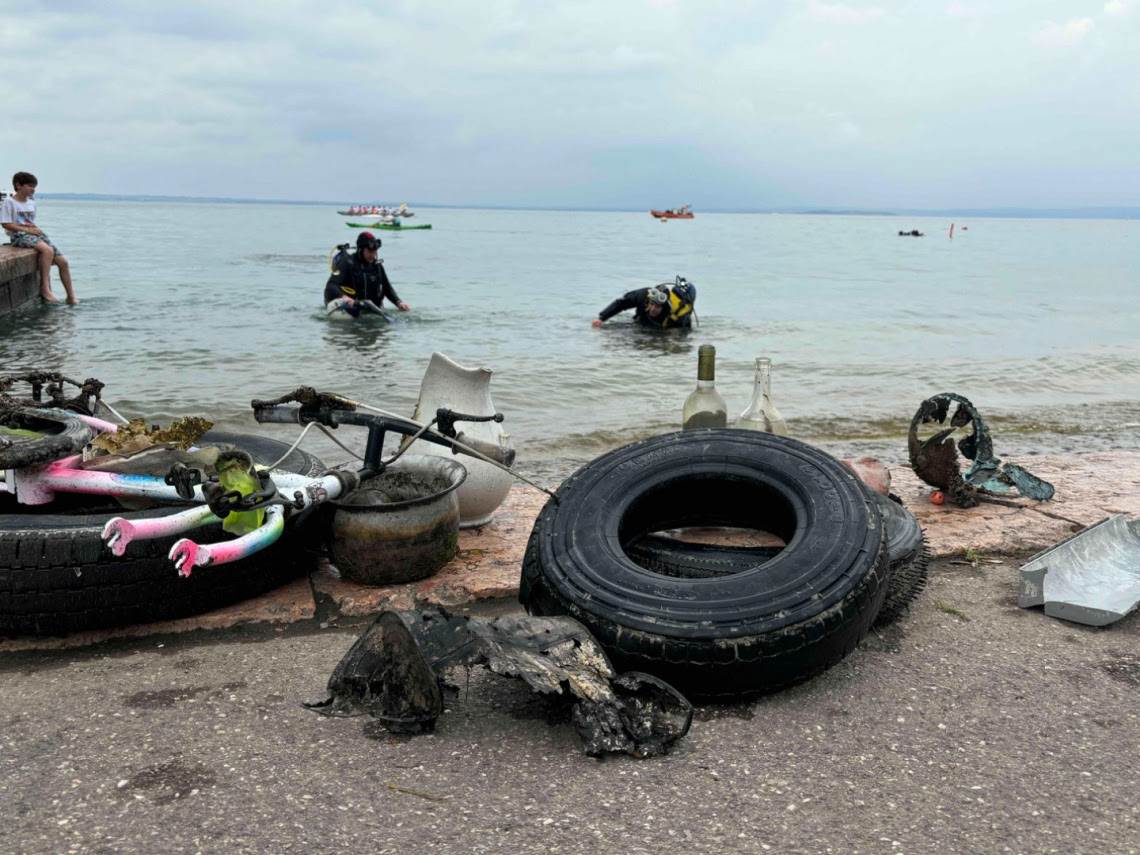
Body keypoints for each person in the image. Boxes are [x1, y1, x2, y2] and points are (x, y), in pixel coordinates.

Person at [0, 171, 78, 305]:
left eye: (34, 186)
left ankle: (71, 297)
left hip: (34, 233)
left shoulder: (31, 203)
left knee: (63, 262)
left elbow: (30, 222)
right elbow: (6, 224)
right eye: (30, 186)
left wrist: (35, 231)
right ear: (18, 185)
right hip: (19, 235)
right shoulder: (9, 202)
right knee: (47, 251)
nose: (33, 189)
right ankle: (45, 288)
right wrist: (27, 230)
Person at [324, 231, 411, 318]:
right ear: (361, 249)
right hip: (352, 307)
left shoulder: (377, 266)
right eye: (369, 251)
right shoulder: (347, 263)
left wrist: (399, 302)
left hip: (372, 309)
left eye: (375, 251)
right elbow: (331, 285)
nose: (373, 255)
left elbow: (386, 287)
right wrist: (344, 297)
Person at [592, 277, 696, 330]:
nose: (653, 309)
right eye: (652, 304)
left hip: (662, 332)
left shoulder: (679, 315)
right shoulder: (642, 295)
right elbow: (621, 304)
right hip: (639, 324)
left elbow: (685, 335)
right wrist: (601, 318)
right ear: (648, 300)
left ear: (664, 306)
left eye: (658, 306)